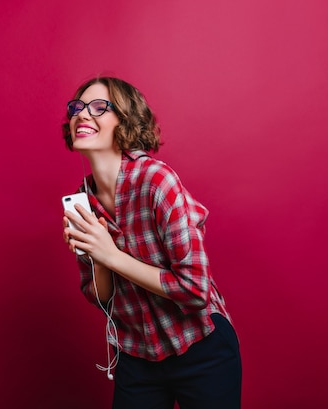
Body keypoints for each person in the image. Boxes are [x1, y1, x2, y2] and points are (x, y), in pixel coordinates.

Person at [61, 76, 241, 409]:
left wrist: (111, 255)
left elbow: (194, 290)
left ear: (125, 121)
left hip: (200, 346)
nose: (83, 114)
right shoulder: (81, 202)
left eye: (99, 107)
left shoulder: (156, 180)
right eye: (77, 107)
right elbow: (101, 298)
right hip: (136, 354)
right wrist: (98, 257)